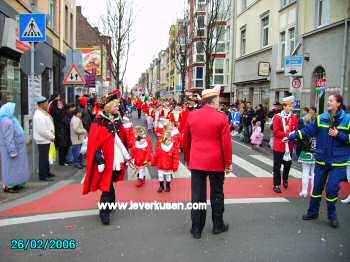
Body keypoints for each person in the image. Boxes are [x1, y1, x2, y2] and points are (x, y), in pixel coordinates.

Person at [289, 94, 350, 228]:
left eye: (331, 100)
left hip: (338, 162)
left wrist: (339, 134)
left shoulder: (347, 119)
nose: (328, 102)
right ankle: (312, 212)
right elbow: (307, 131)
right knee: (316, 188)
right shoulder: (321, 118)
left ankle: (332, 216)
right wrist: (292, 136)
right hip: (322, 160)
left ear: (338, 103)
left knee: (331, 189)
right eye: (328, 100)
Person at [183, 85, 232, 239]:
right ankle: (218, 225)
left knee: (197, 195)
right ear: (213, 100)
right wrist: (228, 162)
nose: (219, 101)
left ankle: (196, 228)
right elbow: (226, 143)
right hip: (216, 162)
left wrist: (187, 159)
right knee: (217, 194)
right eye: (218, 99)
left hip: (197, 161)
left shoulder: (192, 115)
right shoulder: (221, 117)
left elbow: (186, 140)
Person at [83, 93, 131, 225]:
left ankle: (111, 205)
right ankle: (104, 213)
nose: (118, 107)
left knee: (110, 182)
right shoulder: (99, 120)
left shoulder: (117, 119)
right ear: (109, 106)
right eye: (116, 105)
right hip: (104, 159)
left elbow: (123, 139)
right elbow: (93, 143)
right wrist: (99, 159)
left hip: (116, 158)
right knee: (106, 185)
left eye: (118, 105)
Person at [0, 103, 30, 193]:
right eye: (12, 109)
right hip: (12, 149)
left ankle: (16, 183)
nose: (13, 111)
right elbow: (8, 138)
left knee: (16, 168)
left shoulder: (10, 119)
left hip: (17, 148)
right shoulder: (7, 121)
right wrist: (12, 151)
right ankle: (9, 185)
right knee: (11, 168)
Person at [272, 96, 299, 193]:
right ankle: (276, 184)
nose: (290, 108)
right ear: (284, 107)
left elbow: (295, 130)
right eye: (288, 106)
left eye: (291, 106)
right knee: (277, 166)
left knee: (287, 165)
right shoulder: (278, 117)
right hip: (279, 145)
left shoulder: (294, 117)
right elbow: (276, 132)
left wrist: (293, 135)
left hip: (289, 146)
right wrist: (288, 135)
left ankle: (285, 179)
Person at [33, 96, 55, 182]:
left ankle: (47, 172)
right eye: (46, 103)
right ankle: (43, 175)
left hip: (47, 139)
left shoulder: (43, 112)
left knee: (47, 157)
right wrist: (51, 136)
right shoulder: (38, 115)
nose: (47, 105)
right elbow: (42, 130)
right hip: (43, 139)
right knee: (43, 158)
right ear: (41, 104)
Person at [297, 107, 317, 198]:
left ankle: (304, 191)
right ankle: (313, 192)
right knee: (314, 173)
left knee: (305, 172)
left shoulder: (305, 126)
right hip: (316, 151)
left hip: (306, 150)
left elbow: (300, 138)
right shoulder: (318, 126)